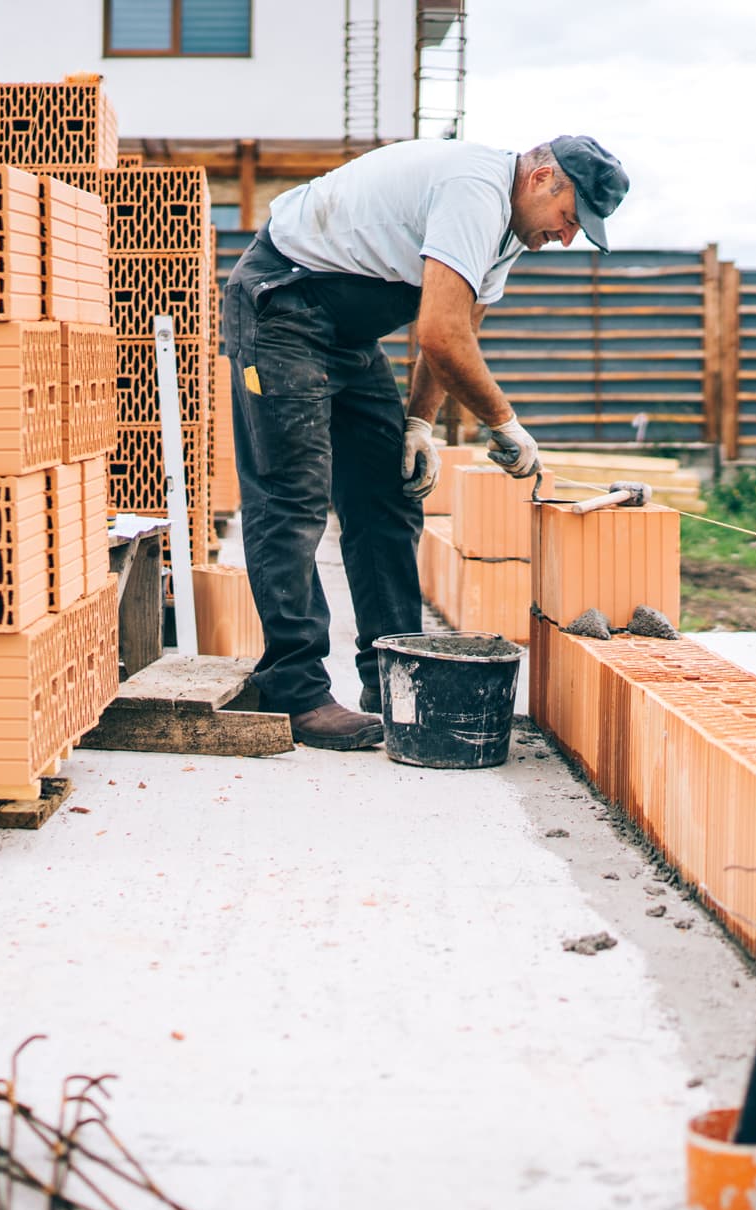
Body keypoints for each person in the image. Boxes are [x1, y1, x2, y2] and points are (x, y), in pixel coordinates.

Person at [221, 135, 630, 749]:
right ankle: (294, 688)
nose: (567, 238)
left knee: (386, 496)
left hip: (344, 331)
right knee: (293, 498)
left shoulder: (508, 232)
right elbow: (439, 337)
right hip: (284, 302)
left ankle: (394, 681)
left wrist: (418, 424)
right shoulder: (475, 191)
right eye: (570, 219)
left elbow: (460, 328)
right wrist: (504, 421)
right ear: (544, 177)